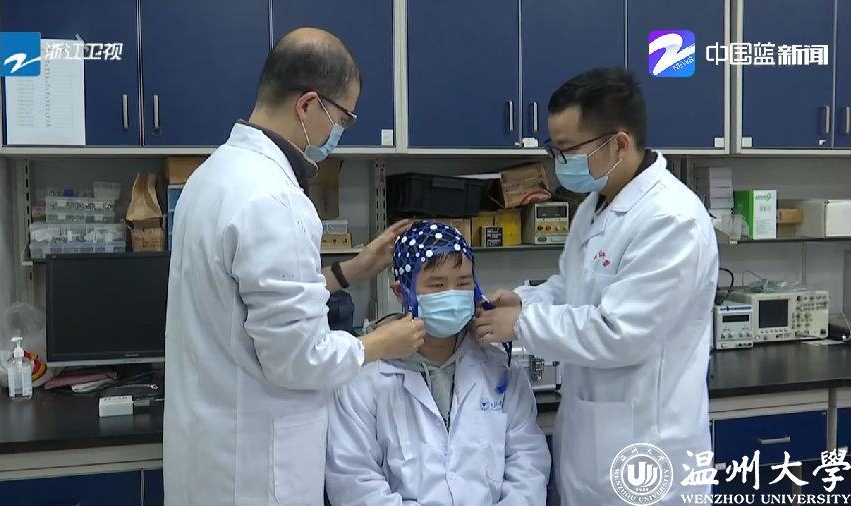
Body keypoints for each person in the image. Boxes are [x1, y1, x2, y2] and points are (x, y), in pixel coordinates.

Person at [164, 28, 426, 506]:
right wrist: (379, 343)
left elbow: (247, 301)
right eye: (342, 118)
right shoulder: (276, 200)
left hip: (211, 452)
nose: (338, 134)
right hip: (255, 473)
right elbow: (297, 359)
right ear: (308, 106)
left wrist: (350, 272)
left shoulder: (212, 176)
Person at [473, 68, 718, 505]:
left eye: (567, 150)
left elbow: (621, 332)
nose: (558, 162)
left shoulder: (671, 219)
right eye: (554, 149)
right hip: (592, 445)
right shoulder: (596, 204)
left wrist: (522, 324)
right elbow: (574, 288)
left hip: (650, 450)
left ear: (619, 143)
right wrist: (524, 300)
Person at [326, 220, 552, 506]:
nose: (453, 294)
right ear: (401, 292)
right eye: (437, 285)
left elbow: (528, 462)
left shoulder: (499, 365)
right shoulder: (366, 376)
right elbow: (355, 482)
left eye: (463, 283)